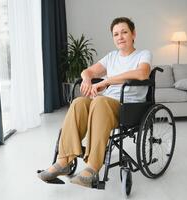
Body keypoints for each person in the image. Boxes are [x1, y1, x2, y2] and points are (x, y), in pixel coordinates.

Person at [38, 17, 152, 188]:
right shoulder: (112, 56)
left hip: (128, 107)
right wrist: (87, 80)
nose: (120, 37)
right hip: (105, 103)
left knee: (99, 102)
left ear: (133, 34)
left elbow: (143, 74)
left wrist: (106, 81)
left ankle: (92, 167)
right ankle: (63, 161)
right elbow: (88, 71)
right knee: (78, 103)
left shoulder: (143, 54)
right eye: (116, 34)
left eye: (124, 32)